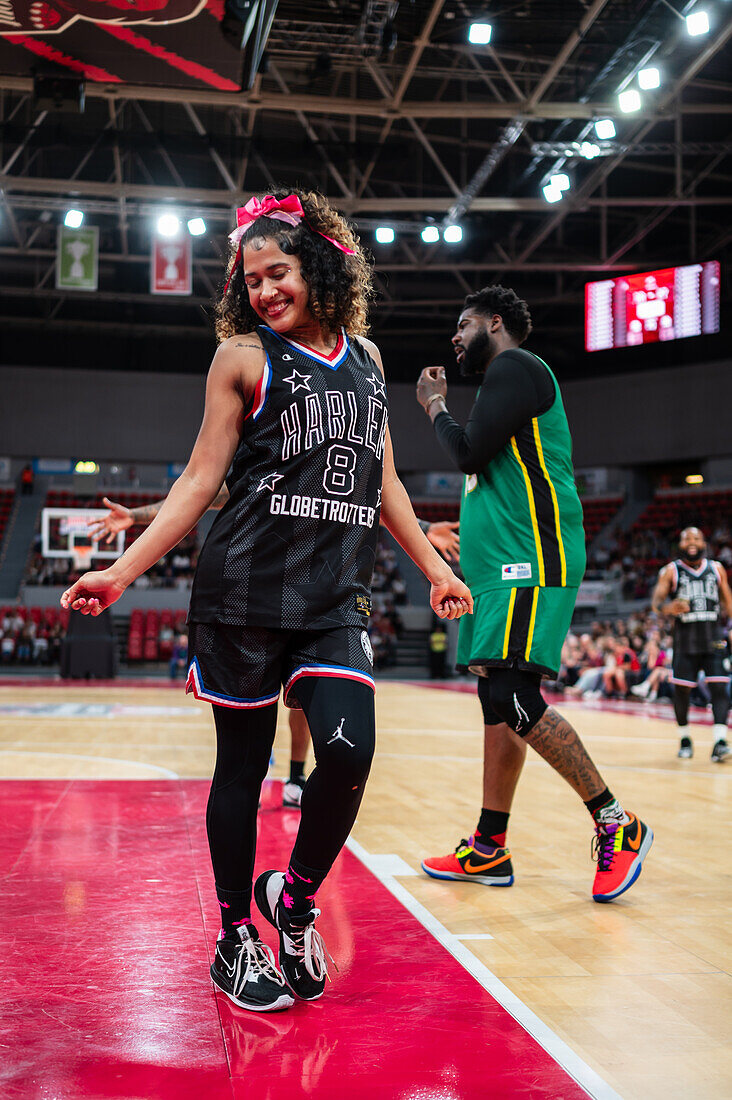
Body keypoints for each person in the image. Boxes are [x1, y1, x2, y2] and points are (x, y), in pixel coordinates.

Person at [62, 189, 472, 1014]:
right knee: (241, 772)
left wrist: (433, 567)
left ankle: (293, 898)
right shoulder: (241, 360)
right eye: (250, 280)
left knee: (349, 755)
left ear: (319, 267)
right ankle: (231, 936)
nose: (263, 292)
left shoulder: (368, 359)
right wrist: (122, 572)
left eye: (277, 273)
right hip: (242, 596)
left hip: (332, 602)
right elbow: (197, 483)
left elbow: (383, 479)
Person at [415, 284, 652, 903]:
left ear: (496, 322)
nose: (455, 337)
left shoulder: (516, 366)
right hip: (500, 570)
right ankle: (489, 848)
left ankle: (616, 824)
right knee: (496, 698)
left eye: (464, 324)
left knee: (517, 696)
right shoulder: (504, 380)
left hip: (533, 561)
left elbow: (467, 452)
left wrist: (435, 407)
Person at [88, 494, 459, 809]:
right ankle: (259, 770)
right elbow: (203, 491)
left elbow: (364, 494)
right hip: (259, 596)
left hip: (321, 595)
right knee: (246, 744)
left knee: (308, 703)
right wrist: (136, 516)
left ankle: (296, 775)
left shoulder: (332, 443)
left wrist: (423, 528)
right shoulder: (267, 451)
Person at [651, 527, 732, 761]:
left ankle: (719, 742)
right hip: (685, 640)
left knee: (719, 689)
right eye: (687, 539)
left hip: (714, 637)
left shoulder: (716, 568)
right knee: (682, 691)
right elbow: (656, 603)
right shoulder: (670, 571)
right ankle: (685, 738)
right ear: (680, 544)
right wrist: (668, 607)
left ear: (704, 542)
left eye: (696, 538)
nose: (692, 542)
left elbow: (727, 599)